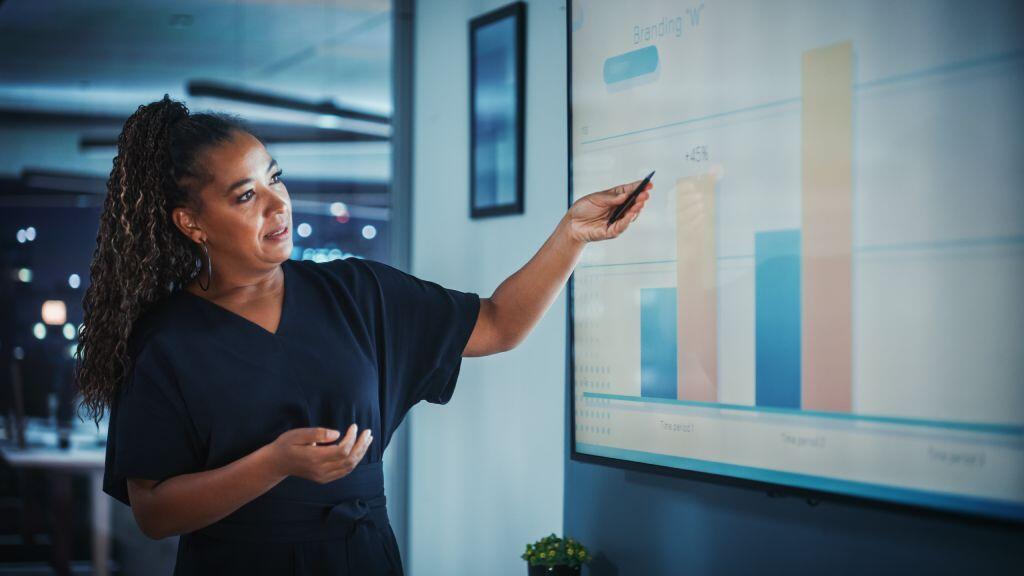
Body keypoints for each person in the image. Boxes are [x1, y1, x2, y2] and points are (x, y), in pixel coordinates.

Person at [73, 94, 651, 576]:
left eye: (275, 179)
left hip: (364, 557)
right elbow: (153, 512)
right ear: (191, 222)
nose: (278, 205)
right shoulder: (167, 339)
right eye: (245, 195)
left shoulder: (357, 291)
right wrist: (273, 464)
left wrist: (572, 234)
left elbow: (501, 323)